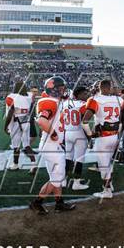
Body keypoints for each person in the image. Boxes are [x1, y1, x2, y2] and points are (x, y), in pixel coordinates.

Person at [29, 76, 75, 215]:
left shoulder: (55, 100)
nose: (63, 91)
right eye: (60, 88)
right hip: (52, 145)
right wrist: (54, 134)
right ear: (53, 90)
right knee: (57, 178)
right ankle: (37, 202)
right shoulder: (49, 101)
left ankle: (59, 203)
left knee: (55, 177)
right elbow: (42, 121)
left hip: (52, 145)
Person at [83, 80, 123, 199]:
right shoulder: (118, 100)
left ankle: (107, 191)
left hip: (103, 137)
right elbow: (120, 120)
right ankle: (109, 184)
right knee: (108, 162)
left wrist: (90, 135)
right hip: (114, 136)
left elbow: (84, 121)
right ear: (110, 88)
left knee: (103, 165)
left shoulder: (95, 100)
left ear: (99, 87)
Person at [62, 86, 89, 190]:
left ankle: (63, 180)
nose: (87, 96)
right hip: (78, 133)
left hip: (67, 132)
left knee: (68, 157)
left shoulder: (65, 103)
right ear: (79, 94)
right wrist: (89, 137)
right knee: (79, 159)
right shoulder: (83, 105)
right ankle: (76, 183)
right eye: (85, 94)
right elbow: (84, 122)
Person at [4, 82, 37, 170]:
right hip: (26, 121)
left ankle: (15, 164)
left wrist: (5, 126)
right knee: (27, 145)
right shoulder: (28, 96)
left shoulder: (11, 97)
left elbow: (10, 113)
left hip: (16, 122)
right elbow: (31, 102)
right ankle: (33, 164)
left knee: (16, 146)